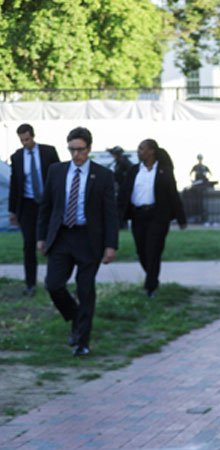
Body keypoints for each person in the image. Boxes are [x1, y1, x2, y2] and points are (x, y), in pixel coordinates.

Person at [36, 127, 118, 357]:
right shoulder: (56, 171)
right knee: (53, 285)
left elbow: (110, 213)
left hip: (88, 239)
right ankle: (74, 314)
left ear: (89, 149)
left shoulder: (102, 175)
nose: (76, 155)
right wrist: (41, 237)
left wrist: (111, 245)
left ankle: (82, 341)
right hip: (61, 236)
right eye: (71, 149)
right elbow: (46, 207)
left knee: (85, 290)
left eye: (80, 150)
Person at [119, 139, 187, 298]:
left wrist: (181, 218)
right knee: (141, 251)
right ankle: (152, 276)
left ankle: (150, 287)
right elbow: (123, 194)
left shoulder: (164, 171)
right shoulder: (134, 170)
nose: (139, 152)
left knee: (153, 250)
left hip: (157, 216)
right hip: (138, 216)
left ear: (151, 151)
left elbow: (173, 194)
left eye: (141, 149)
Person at [8, 123, 60, 296]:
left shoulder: (48, 152)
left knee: (52, 243)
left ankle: (54, 281)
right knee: (28, 245)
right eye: (22, 140)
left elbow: (59, 176)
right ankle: (30, 284)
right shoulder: (17, 157)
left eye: (27, 139)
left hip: (48, 204)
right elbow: (14, 185)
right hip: (27, 206)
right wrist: (12, 210)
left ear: (33, 136)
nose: (25, 143)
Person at [107, 146, 133, 230]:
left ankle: (123, 226)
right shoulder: (117, 163)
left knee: (122, 209)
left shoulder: (125, 163)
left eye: (115, 154)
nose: (114, 156)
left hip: (124, 190)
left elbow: (129, 177)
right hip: (119, 190)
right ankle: (120, 226)